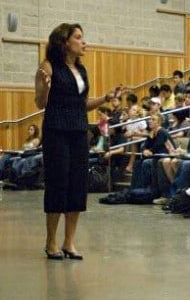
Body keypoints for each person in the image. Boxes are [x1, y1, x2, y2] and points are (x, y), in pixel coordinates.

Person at [34, 23, 126, 260]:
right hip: (56, 130)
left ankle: (69, 242)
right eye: (78, 37)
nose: (84, 42)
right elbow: (40, 103)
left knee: (77, 184)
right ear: (64, 42)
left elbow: (83, 104)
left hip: (78, 131)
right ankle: (51, 241)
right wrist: (45, 88)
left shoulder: (82, 71)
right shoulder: (48, 66)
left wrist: (106, 97)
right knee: (58, 183)